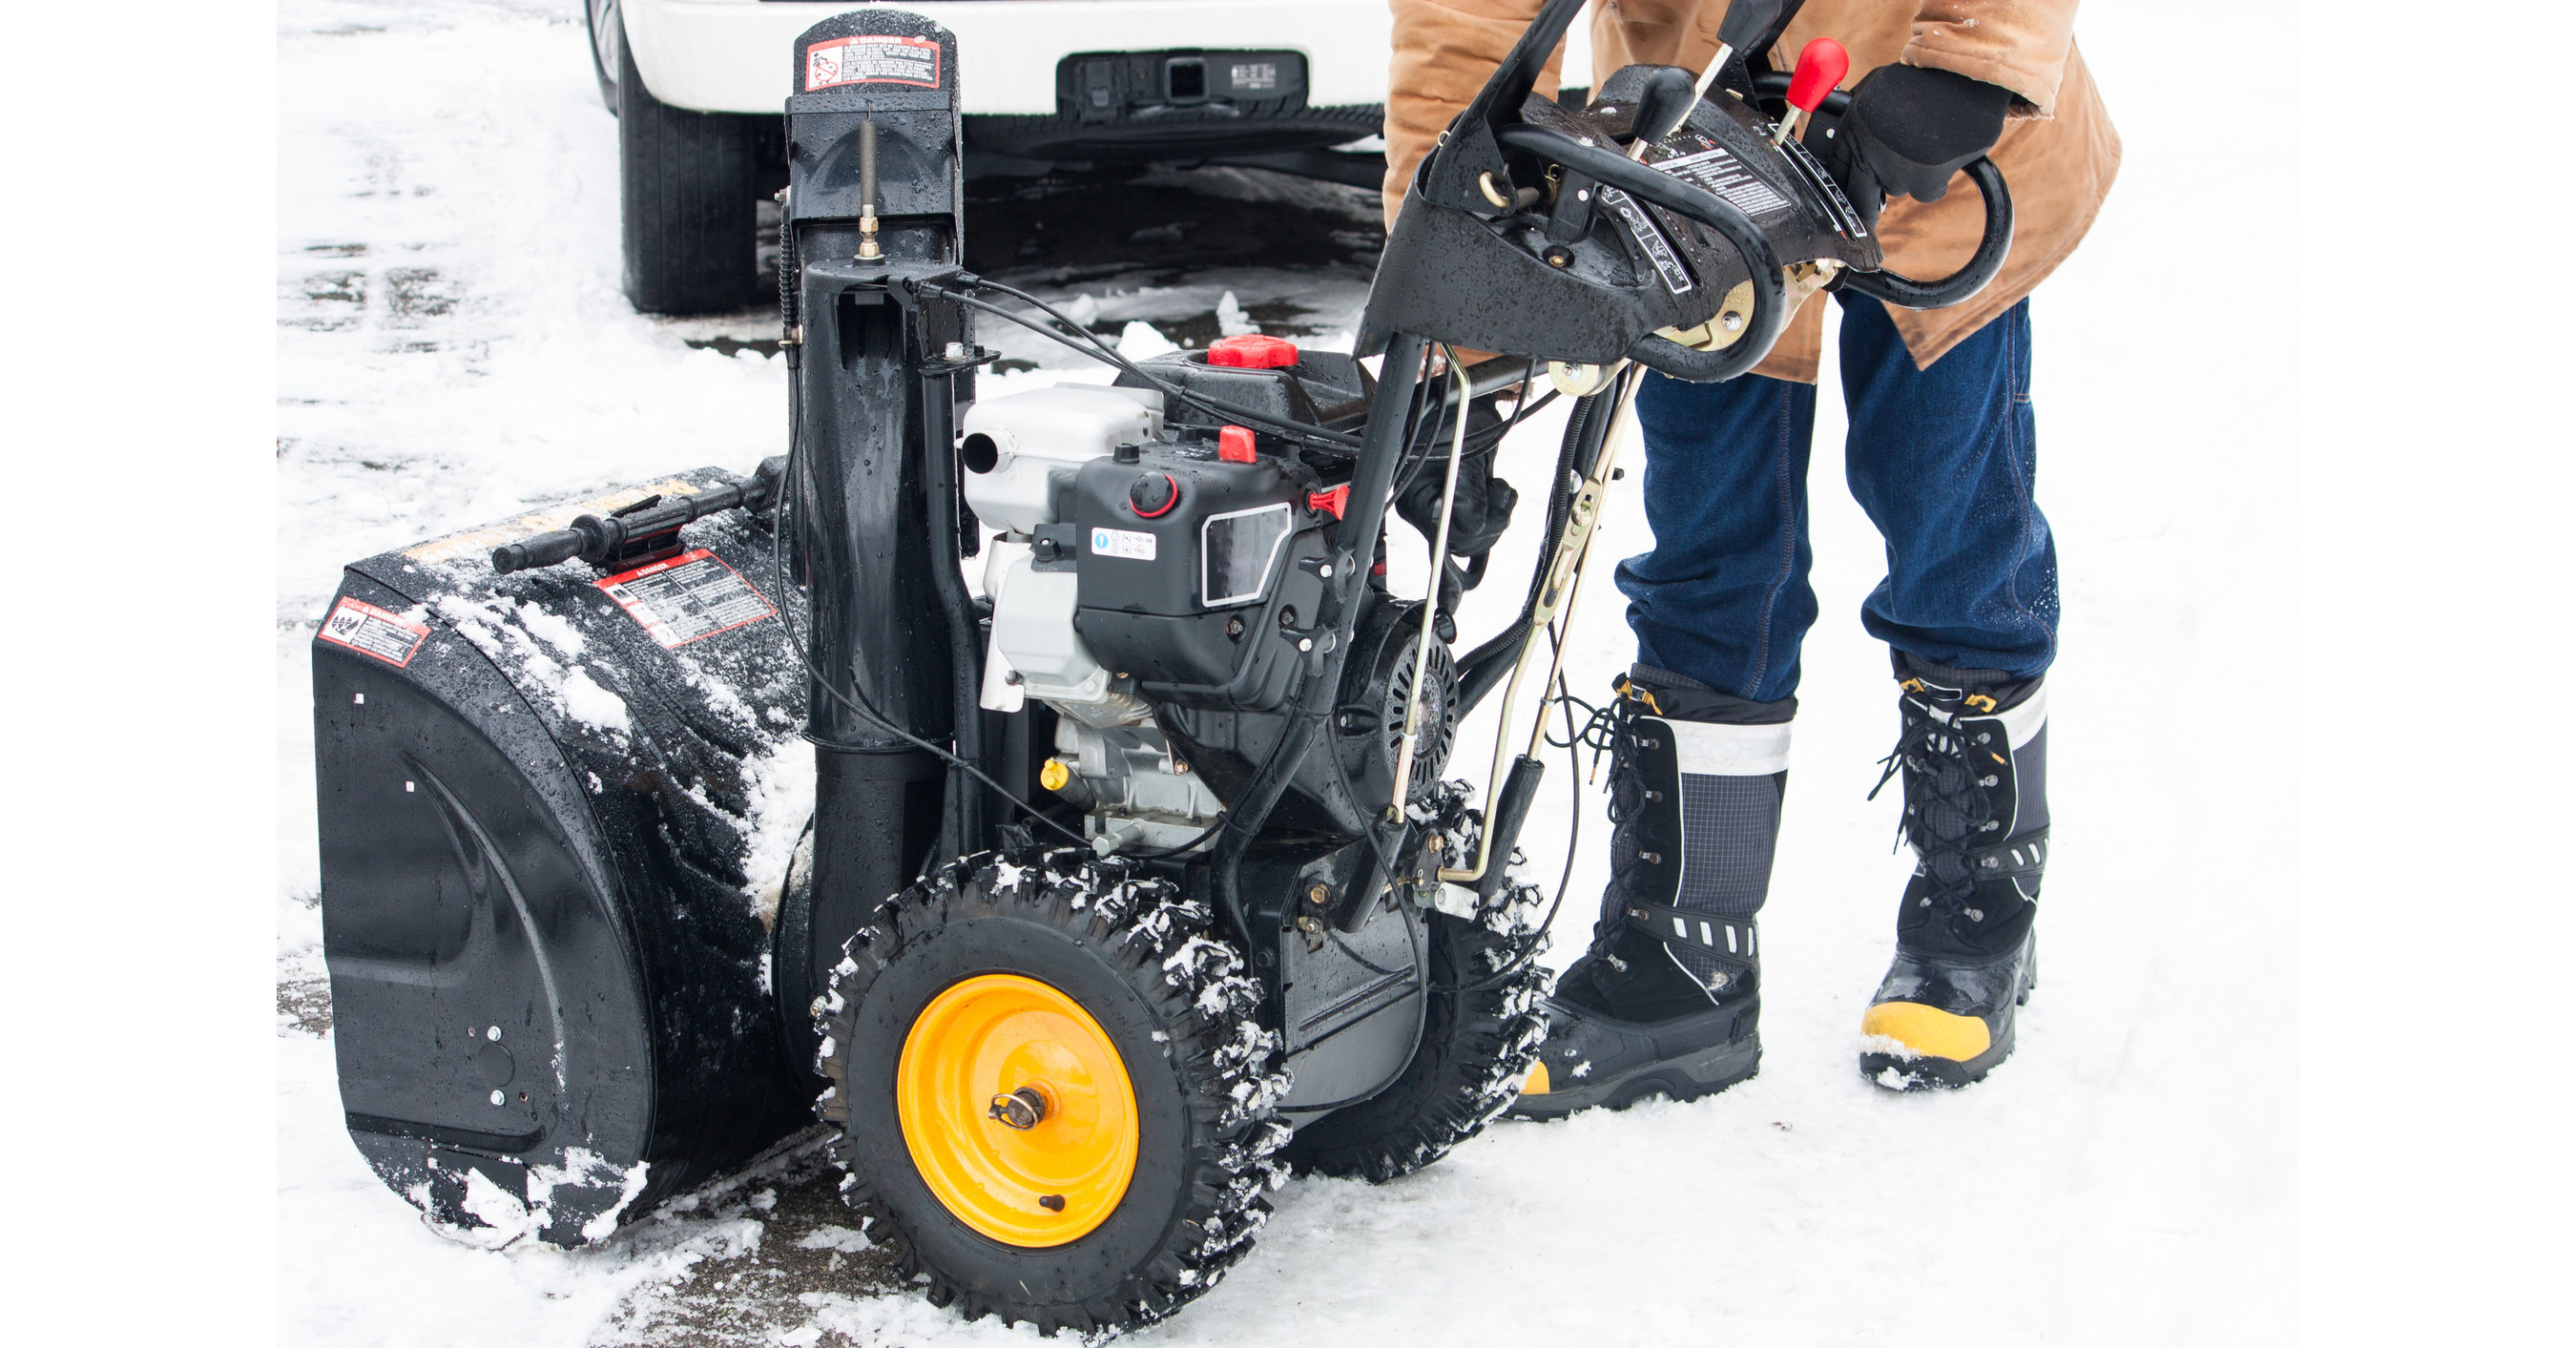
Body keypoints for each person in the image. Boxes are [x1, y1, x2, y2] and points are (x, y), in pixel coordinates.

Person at [1378, 0, 2120, 1107]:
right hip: (1699, 176)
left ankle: (1980, 910)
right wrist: (1457, 342)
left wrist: (1967, 66)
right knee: (1714, 552)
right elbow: (1460, 25)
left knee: (1948, 521)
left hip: (1935, 142)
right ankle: (1685, 960)